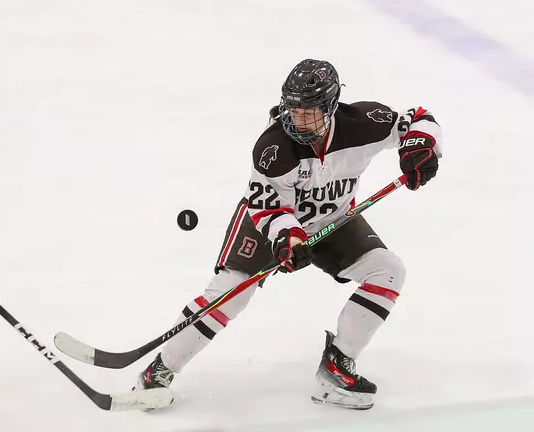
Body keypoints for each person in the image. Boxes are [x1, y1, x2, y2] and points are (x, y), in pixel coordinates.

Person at [133, 58, 442, 410]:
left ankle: (337, 366)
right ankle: (159, 370)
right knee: (231, 293)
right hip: (269, 222)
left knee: (388, 270)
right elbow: (267, 207)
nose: (298, 120)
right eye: (293, 110)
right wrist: (288, 238)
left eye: (309, 112)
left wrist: (420, 148)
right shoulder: (274, 147)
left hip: (334, 221)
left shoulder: (364, 123)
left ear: (331, 107)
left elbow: (419, 119)